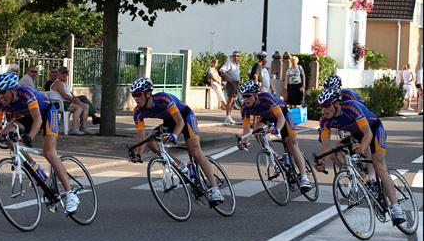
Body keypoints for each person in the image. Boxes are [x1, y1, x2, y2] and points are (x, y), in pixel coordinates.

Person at [0, 71, 80, 214]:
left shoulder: (26, 94)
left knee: (49, 153)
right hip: (27, 117)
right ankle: (35, 167)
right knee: (6, 134)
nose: (0, 96)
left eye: (3, 93)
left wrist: (30, 137)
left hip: (46, 113)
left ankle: (71, 196)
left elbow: (38, 119)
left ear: (13, 90)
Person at [313, 88, 406, 224]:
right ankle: (365, 181)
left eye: (327, 106)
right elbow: (325, 145)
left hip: (373, 129)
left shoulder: (352, 108)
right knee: (335, 154)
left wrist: (362, 146)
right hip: (356, 134)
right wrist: (322, 161)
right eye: (321, 106)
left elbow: (367, 132)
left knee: (379, 166)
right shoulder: (325, 120)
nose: (324, 110)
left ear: (337, 104)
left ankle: (396, 208)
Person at [128, 77, 224, 206]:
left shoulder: (164, 99)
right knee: (151, 140)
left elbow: (180, 122)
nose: (136, 98)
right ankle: (182, 166)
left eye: (138, 95)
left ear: (148, 93)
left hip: (185, 117)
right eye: (133, 95)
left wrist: (174, 136)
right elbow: (141, 138)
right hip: (169, 122)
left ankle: (215, 189)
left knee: (195, 151)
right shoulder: (137, 112)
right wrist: (138, 154)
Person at [236, 80, 312, 190]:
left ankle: (305, 178)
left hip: (283, 115)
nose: (245, 99)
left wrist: (277, 129)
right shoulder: (245, 108)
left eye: (248, 96)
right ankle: (275, 155)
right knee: (257, 130)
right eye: (243, 96)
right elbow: (247, 130)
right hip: (268, 118)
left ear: (256, 95)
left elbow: (280, 118)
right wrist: (244, 143)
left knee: (292, 146)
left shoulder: (266, 98)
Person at [49, 66, 93, 135]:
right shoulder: (58, 83)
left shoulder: (65, 84)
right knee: (78, 107)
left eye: (66, 73)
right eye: (62, 73)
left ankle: (84, 128)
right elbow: (65, 95)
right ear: (59, 74)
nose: (64, 75)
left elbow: (71, 95)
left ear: (68, 74)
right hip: (58, 103)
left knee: (86, 106)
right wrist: (78, 102)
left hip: (66, 103)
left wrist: (77, 100)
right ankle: (73, 128)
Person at [219, 51, 241, 124]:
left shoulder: (237, 64)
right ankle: (228, 116)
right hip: (231, 83)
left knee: (233, 100)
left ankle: (229, 116)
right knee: (230, 100)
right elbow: (222, 70)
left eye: (237, 56)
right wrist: (228, 79)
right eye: (234, 56)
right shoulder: (229, 63)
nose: (235, 57)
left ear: (239, 57)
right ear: (232, 56)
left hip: (236, 82)